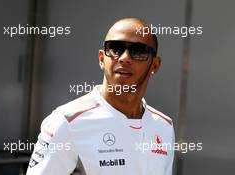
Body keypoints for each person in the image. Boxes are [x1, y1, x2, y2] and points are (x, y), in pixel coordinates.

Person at [26, 17, 175, 175]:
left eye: (138, 51)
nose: (124, 58)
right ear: (102, 58)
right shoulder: (66, 122)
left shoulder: (164, 126)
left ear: (155, 65)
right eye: (115, 48)